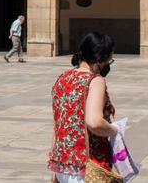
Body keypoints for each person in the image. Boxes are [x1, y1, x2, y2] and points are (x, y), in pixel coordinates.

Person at [49, 32, 119, 183]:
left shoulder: (63, 79)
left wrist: (55, 169)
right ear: (100, 59)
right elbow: (94, 122)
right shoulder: (95, 81)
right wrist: (115, 130)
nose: (108, 64)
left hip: (64, 164)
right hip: (88, 166)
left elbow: (59, 125)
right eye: (109, 59)